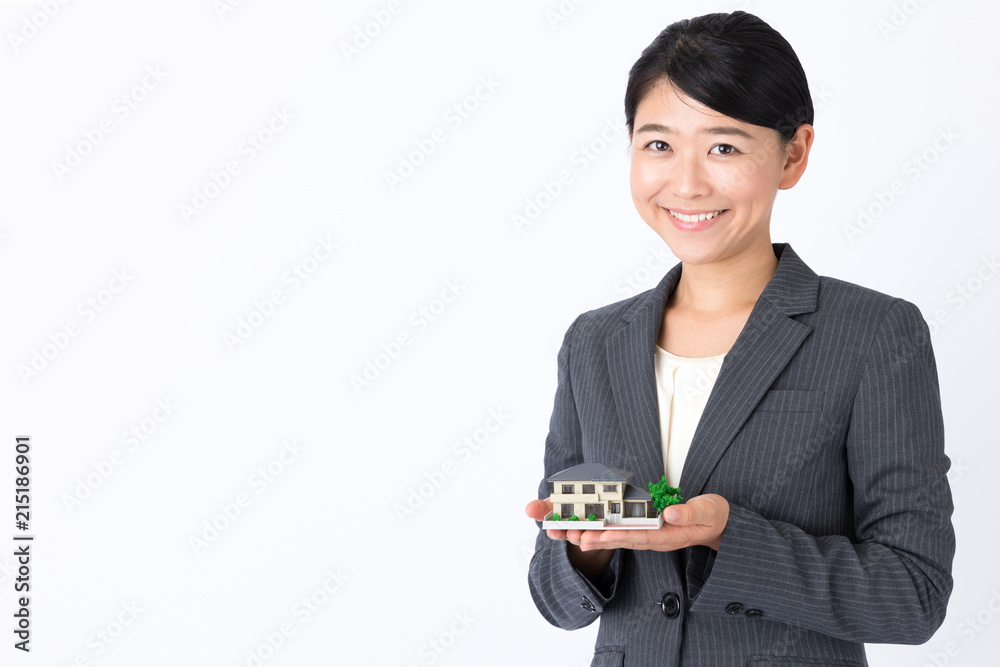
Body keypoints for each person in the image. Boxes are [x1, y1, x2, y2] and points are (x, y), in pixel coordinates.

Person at [524, 11, 955, 667]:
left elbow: (913, 595)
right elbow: (554, 599)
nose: (687, 183)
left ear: (793, 153)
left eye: (723, 147)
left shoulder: (873, 333)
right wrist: (589, 545)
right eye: (659, 144)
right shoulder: (594, 341)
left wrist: (733, 536)